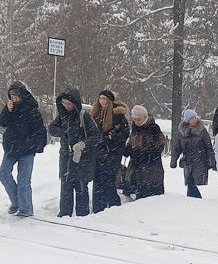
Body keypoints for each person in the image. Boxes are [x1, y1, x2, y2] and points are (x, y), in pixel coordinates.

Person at [48, 88, 104, 217]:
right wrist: (64, 131)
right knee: (66, 184)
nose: (66, 106)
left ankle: (82, 214)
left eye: (68, 103)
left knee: (80, 186)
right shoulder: (62, 115)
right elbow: (52, 129)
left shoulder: (84, 116)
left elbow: (96, 136)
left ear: (75, 103)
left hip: (81, 159)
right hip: (65, 157)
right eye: (64, 103)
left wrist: (82, 144)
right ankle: (64, 213)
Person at [0, 82, 47, 217]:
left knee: (24, 180)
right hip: (11, 148)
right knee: (3, 174)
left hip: (26, 149)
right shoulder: (10, 108)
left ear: (22, 95)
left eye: (16, 96)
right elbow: (2, 123)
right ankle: (16, 202)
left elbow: (39, 131)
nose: (14, 99)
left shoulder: (32, 110)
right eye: (12, 96)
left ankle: (25, 209)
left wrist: (35, 146)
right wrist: (7, 110)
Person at [90, 90, 129, 213]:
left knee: (108, 181)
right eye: (100, 98)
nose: (102, 101)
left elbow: (124, 133)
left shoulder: (117, 114)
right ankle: (98, 209)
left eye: (104, 98)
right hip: (98, 152)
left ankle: (113, 209)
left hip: (112, 153)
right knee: (97, 181)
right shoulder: (95, 113)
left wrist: (112, 137)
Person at [171, 109, 215, 198]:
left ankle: (194, 202)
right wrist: (173, 160)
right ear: (187, 120)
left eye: (195, 117)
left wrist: (212, 161)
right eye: (192, 118)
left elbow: (209, 147)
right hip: (188, 162)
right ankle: (194, 203)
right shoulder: (182, 132)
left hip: (200, 161)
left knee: (192, 184)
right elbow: (177, 148)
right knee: (190, 183)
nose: (195, 119)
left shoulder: (202, 131)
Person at [125, 105, 165, 200]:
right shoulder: (135, 128)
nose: (136, 121)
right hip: (136, 165)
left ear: (145, 117)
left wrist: (145, 153)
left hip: (151, 167)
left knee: (149, 195)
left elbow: (160, 145)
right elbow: (131, 142)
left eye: (138, 119)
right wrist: (127, 150)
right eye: (134, 119)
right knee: (135, 191)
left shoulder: (153, 128)